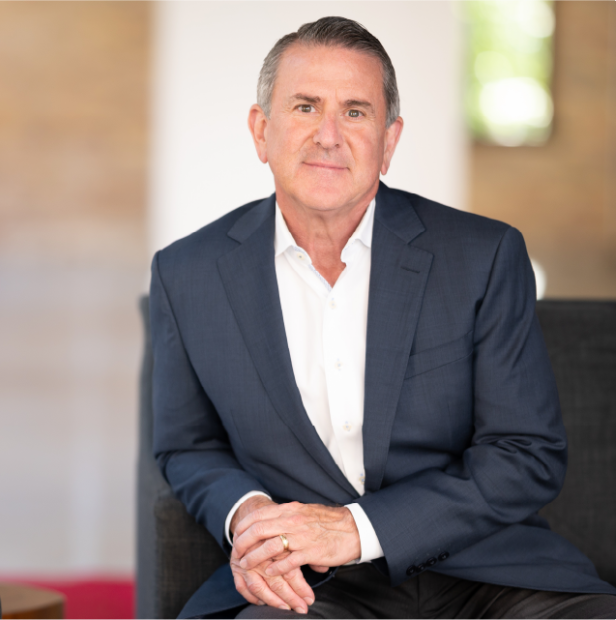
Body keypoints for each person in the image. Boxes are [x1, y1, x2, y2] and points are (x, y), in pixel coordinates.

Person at [150, 16, 616, 620]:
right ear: (261, 131)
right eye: (305, 106)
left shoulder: (482, 255)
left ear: (389, 141)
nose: (327, 135)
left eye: (355, 112)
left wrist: (357, 528)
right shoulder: (187, 273)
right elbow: (188, 445)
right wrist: (252, 518)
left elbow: (526, 452)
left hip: (487, 570)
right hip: (311, 586)